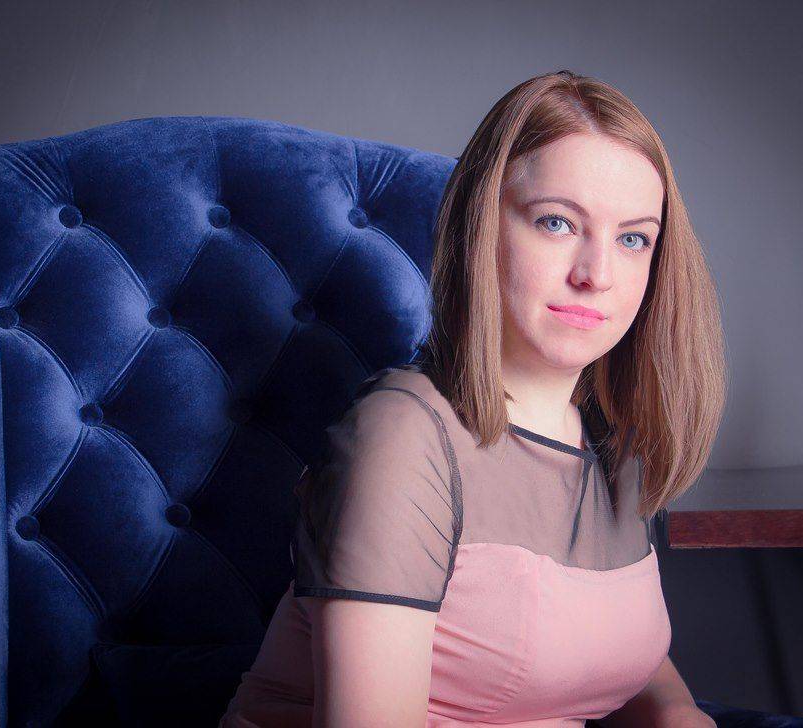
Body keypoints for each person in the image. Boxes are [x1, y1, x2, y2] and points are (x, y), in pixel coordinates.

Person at [219, 69, 726, 728]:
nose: (597, 274)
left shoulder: (614, 439)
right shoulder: (403, 435)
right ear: (479, 229)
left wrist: (675, 712)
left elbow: (605, 640)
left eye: (633, 238)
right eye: (556, 223)